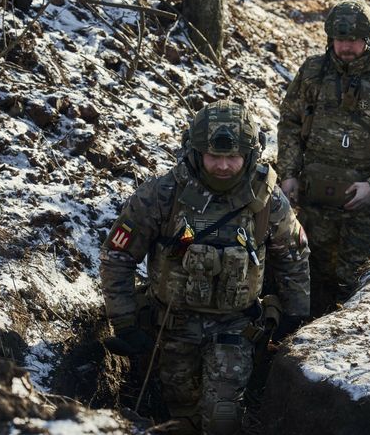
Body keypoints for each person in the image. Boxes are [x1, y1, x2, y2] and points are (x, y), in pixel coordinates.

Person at [100, 100, 310, 435]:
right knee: (179, 413)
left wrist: (294, 317)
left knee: (221, 417)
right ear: (196, 153)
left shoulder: (267, 201)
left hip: (234, 328)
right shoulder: (162, 195)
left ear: (251, 156)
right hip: (171, 327)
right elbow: (117, 257)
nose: (224, 166)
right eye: (214, 157)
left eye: (233, 158)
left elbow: (293, 257)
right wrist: (124, 321)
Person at [276, 0, 370, 315]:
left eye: (353, 40)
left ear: (369, 38)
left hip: (363, 204)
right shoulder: (313, 73)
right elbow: (289, 122)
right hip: (313, 197)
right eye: (340, 40)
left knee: (353, 279)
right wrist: (288, 173)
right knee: (308, 273)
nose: (345, 47)